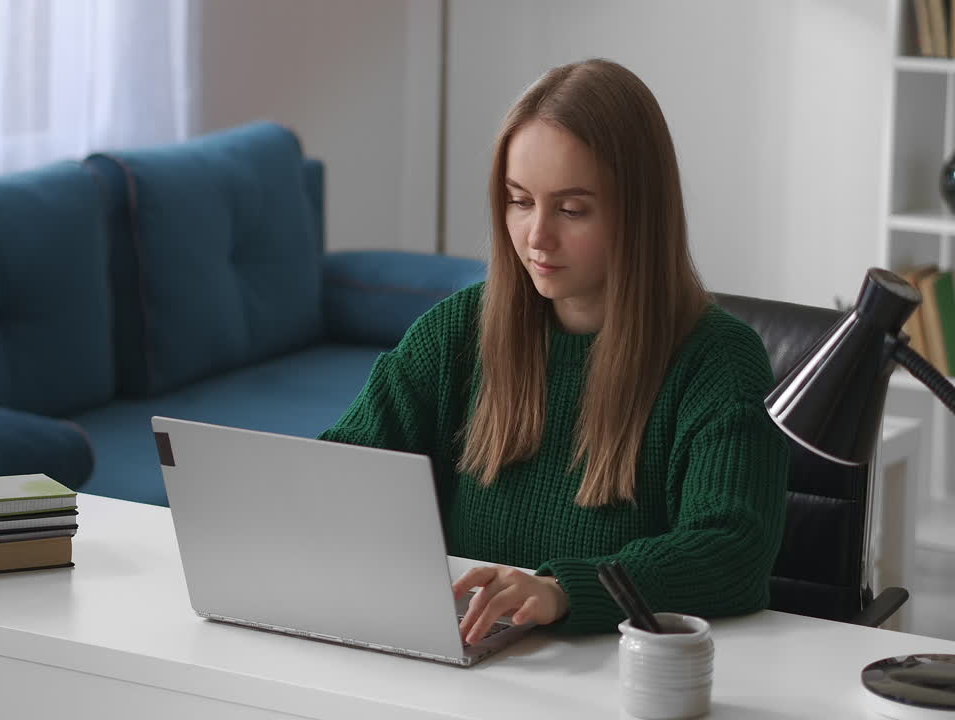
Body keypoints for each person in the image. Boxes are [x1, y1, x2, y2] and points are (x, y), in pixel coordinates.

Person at [318, 59, 789, 643]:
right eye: (519, 201)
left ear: (639, 213)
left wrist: (564, 590)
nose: (537, 236)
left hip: (616, 680)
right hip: (464, 668)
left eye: (571, 209)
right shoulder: (458, 331)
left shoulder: (718, 361)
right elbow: (341, 469)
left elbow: (732, 550)